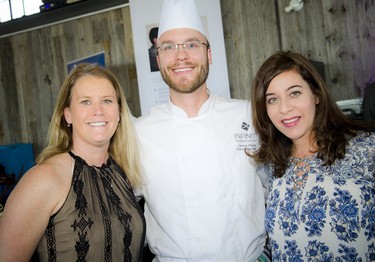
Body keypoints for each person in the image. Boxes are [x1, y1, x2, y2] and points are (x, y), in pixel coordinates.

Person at [134, 0, 267, 261]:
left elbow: (278, 184)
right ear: (158, 58)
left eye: (192, 44)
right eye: (169, 47)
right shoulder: (138, 133)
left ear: (209, 54)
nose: (180, 56)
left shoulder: (250, 115)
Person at [0, 63, 146, 261]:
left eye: (107, 101)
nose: (98, 111)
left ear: (119, 113)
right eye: (85, 102)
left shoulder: (124, 172)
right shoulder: (44, 178)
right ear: (67, 114)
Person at [250, 50, 375, 261]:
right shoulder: (275, 166)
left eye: (294, 93)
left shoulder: (365, 149)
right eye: (272, 99)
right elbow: (280, 242)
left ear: (316, 95)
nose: (285, 108)